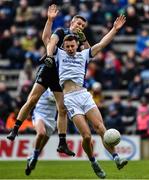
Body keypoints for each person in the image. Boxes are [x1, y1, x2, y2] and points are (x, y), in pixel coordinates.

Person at [46, 15, 127, 178]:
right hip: (70, 98)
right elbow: (47, 39)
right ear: (64, 46)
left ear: (77, 45)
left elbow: (102, 43)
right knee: (87, 135)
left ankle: (116, 158)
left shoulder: (84, 55)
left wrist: (114, 29)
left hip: (84, 95)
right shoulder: (59, 55)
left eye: (72, 46)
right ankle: (93, 162)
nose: (69, 48)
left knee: (101, 128)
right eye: (67, 46)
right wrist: (50, 21)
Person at [7, 4, 90, 156]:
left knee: (62, 109)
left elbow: (89, 54)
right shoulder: (61, 31)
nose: (80, 26)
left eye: (83, 25)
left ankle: (62, 142)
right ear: (71, 23)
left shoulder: (78, 41)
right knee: (32, 100)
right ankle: (15, 129)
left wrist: (84, 41)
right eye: (78, 23)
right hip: (49, 69)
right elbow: (47, 40)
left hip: (61, 76)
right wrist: (50, 21)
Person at [25, 89, 57, 176]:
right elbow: (31, 97)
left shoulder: (59, 86)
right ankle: (34, 158)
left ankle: (31, 159)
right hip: (40, 114)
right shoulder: (42, 84)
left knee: (41, 147)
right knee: (41, 133)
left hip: (51, 118)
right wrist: (27, 110)